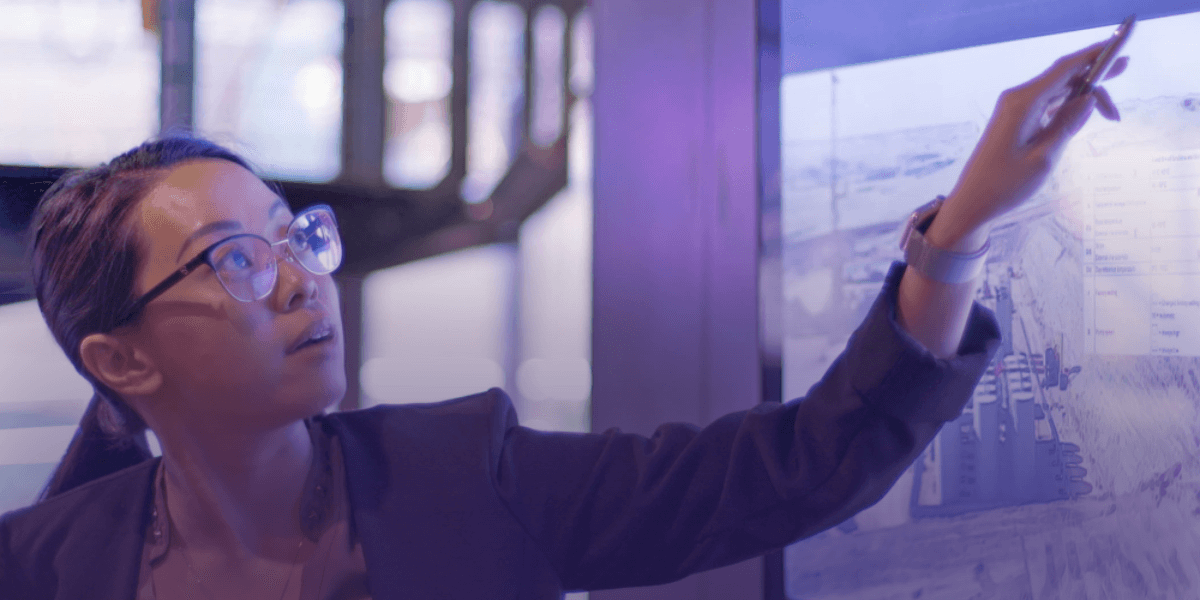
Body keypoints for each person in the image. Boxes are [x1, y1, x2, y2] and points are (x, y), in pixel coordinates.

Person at [0, 41, 1125, 600]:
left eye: (297, 237)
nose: (304, 280)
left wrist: (957, 235)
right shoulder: (50, 563)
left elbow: (800, 465)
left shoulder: (466, 478)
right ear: (119, 359)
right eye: (241, 260)